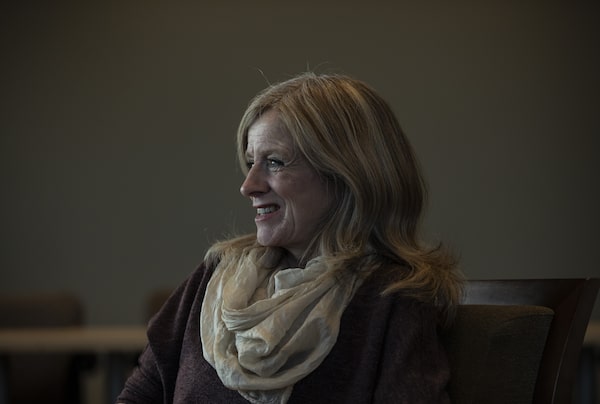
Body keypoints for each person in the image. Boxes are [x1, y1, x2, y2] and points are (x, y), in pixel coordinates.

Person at [117, 72, 463, 404]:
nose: (248, 185)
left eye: (274, 162)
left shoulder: (393, 299)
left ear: (348, 175)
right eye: (251, 162)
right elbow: (139, 395)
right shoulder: (214, 275)